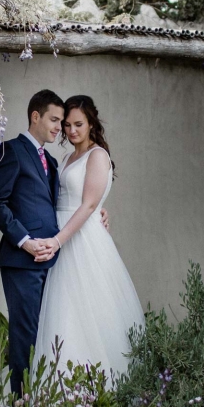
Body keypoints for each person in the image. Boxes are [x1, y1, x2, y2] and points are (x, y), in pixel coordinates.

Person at [0, 90, 110, 396]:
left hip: (55, 258)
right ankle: (19, 405)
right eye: (56, 121)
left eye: (66, 122)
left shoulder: (53, 162)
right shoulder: (9, 151)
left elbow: (62, 202)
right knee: (24, 332)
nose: (62, 129)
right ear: (35, 117)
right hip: (22, 258)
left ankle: (41, 397)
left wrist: (99, 211)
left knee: (49, 331)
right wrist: (25, 241)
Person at [31, 94, 144, 382]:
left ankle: (94, 384)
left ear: (92, 123)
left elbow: (89, 205)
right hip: (63, 234)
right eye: (67, 125)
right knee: (64, 311)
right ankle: (59, 382)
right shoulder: (68, 157)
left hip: (80, 242)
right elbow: (70, 198)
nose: (71, 131)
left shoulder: (98, 155)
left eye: (78, 124)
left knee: (87, 310)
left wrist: (58, 241)